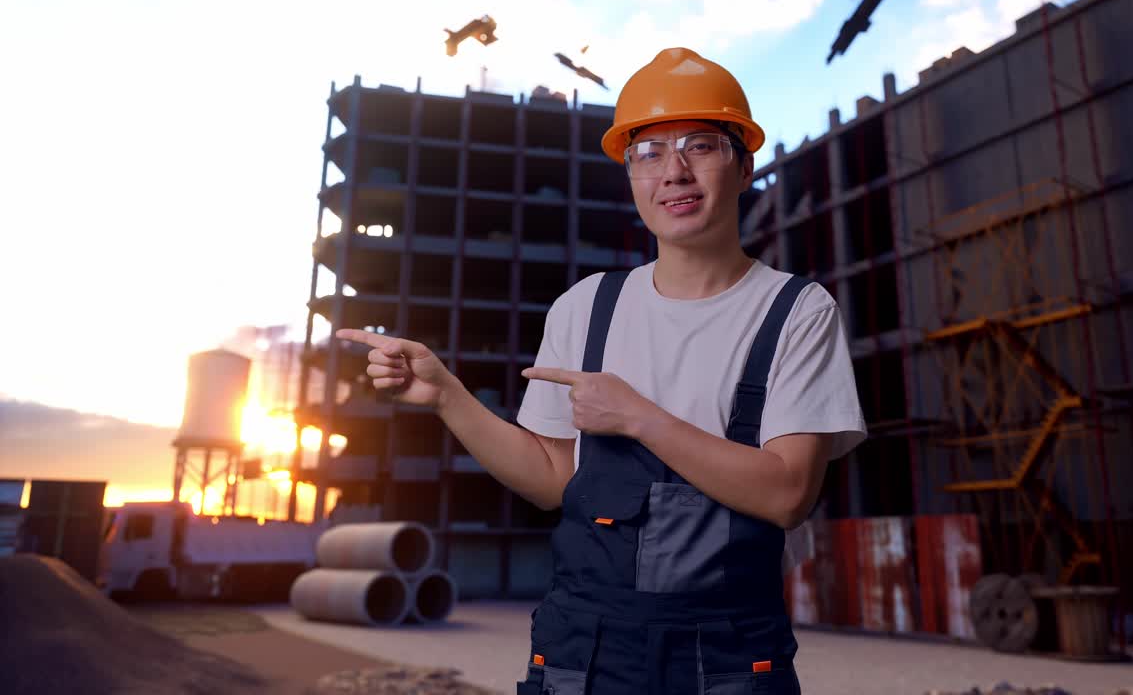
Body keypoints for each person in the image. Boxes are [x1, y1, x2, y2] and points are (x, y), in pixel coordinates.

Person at [336, 47, 865, 695]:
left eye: (700, 146)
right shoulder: (587, 308)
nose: (674, 171)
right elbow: (553, 479)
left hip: (727, 661)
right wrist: (448, 396)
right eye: (648, 153)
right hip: (582, 655)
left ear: (744, 164)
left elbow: (787, 495)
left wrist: (638, 417)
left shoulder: (795, 311)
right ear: (631, 174)